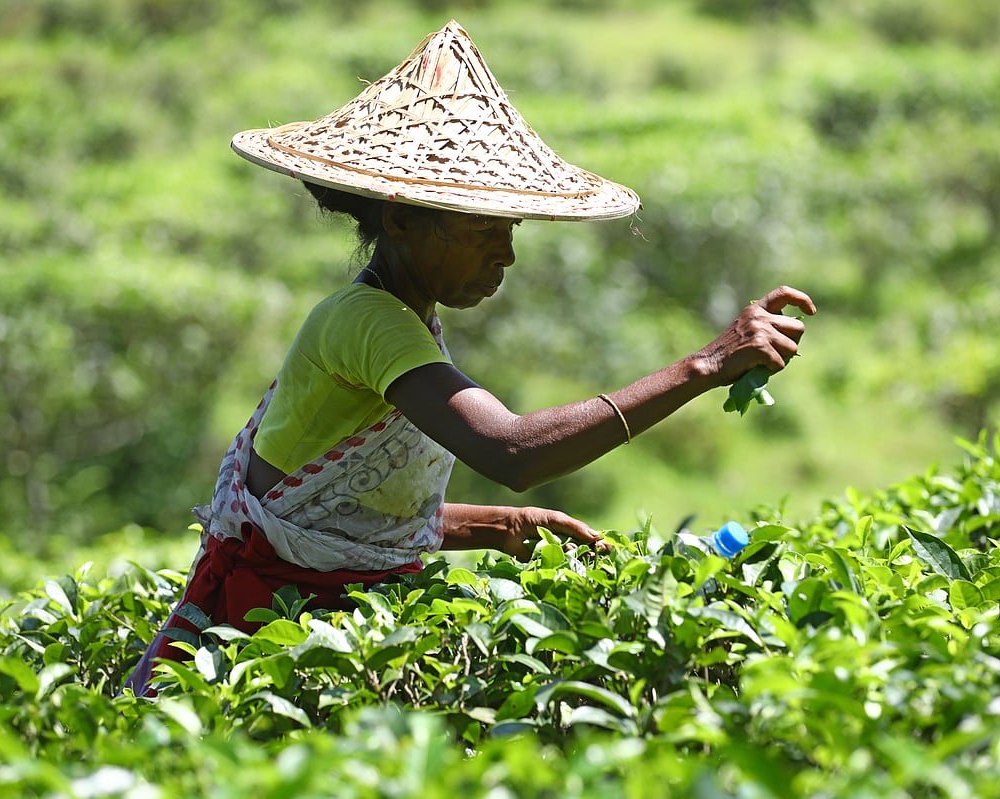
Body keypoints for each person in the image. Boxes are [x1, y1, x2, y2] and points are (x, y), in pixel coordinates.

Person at [124, 20, 814, 696]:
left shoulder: (400, 319)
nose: (506, 253)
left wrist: (506, 527)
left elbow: (340, 517)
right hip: (259, 639)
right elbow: (512, 452)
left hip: (309, 629)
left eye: (509, 226)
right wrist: (703, 366)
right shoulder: (367, 322)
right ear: (400, 219)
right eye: (483, 226)